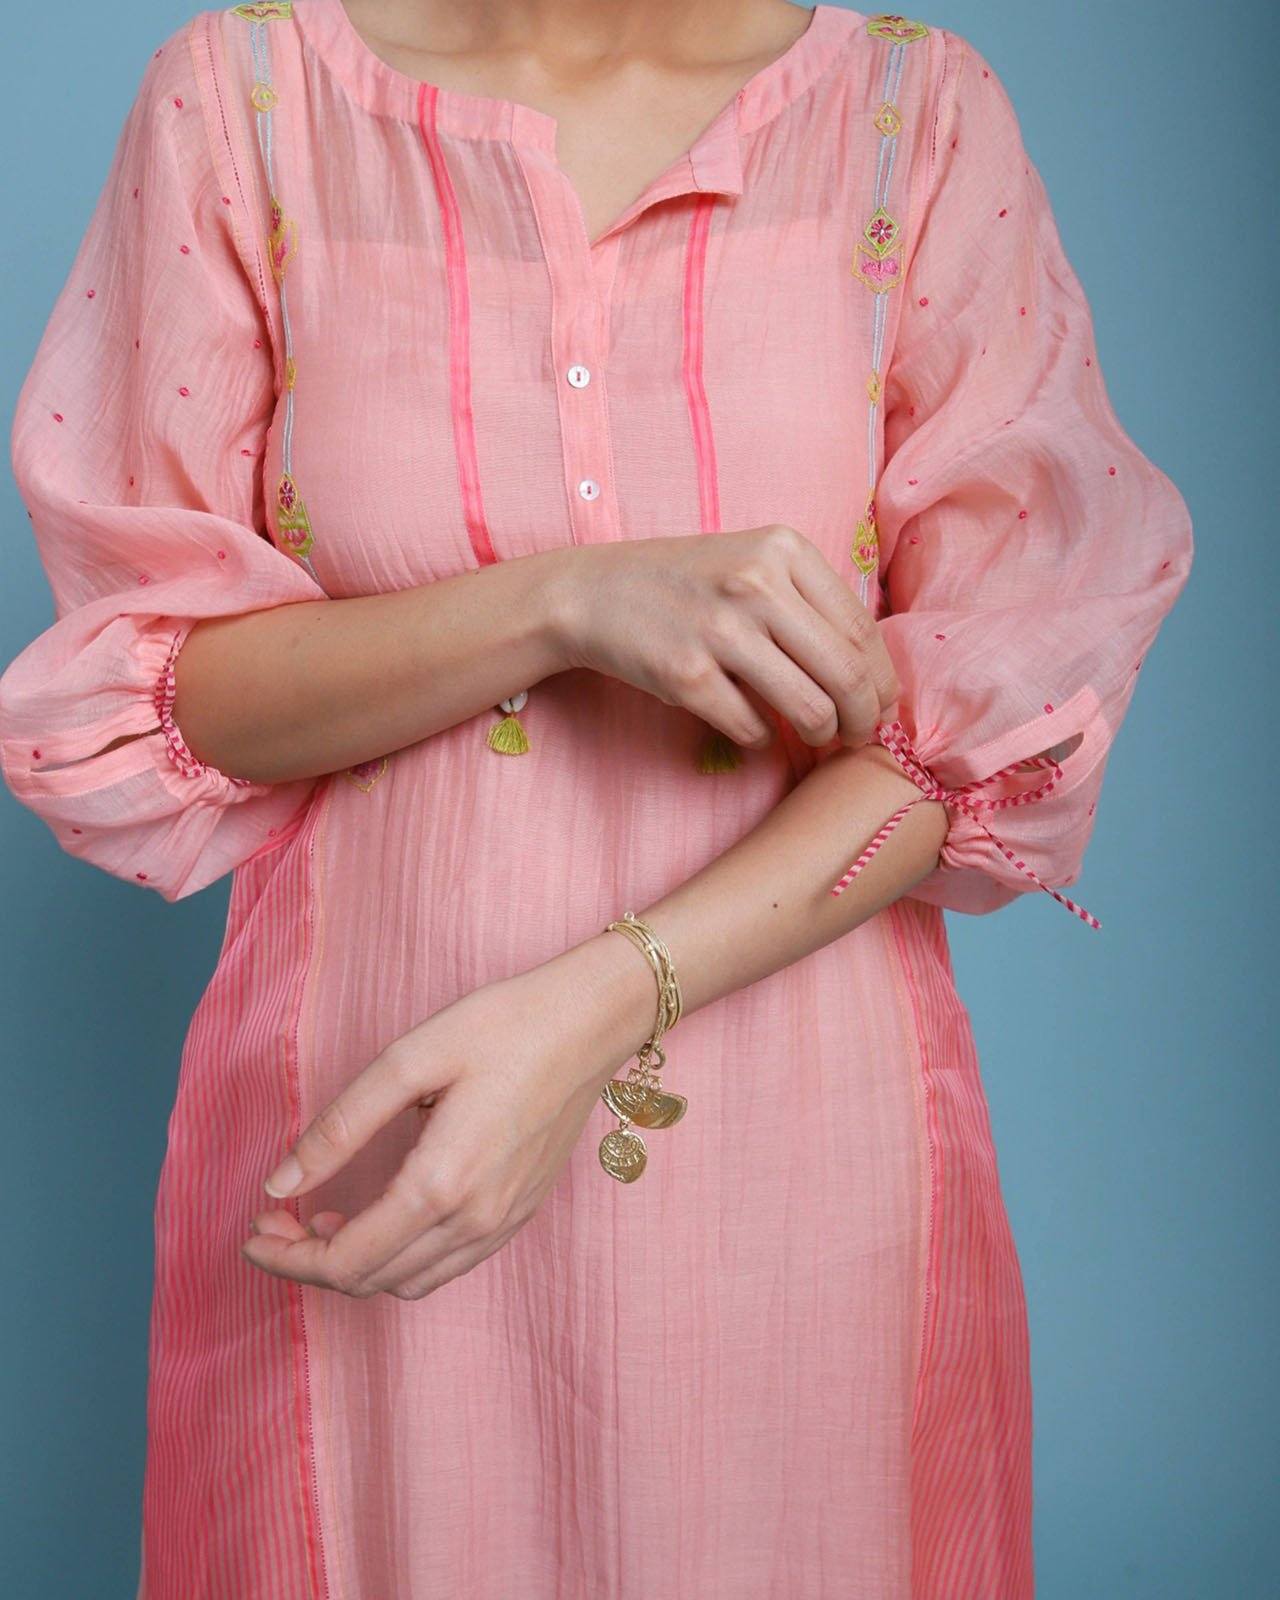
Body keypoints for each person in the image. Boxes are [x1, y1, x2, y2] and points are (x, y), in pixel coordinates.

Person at [0, 1, 1193, 1595]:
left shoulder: (913, 118)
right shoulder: (243, 100)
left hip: (801, 1173)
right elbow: (163, 692)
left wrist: (590, 1013)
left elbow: (981, 724)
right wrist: (567, 600)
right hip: (370, 1144)